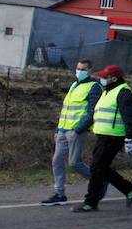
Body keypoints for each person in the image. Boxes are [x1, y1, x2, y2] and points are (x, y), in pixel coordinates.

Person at [73, 65, 132, 212]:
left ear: (114, 78)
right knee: (100, 168)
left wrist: (129, 139)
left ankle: (91, 202)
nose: (101, 79)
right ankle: (128, 188)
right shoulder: (108, 91)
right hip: (104, 136)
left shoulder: (123, 92)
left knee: (97, 168)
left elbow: (131, 117)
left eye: (105, 77)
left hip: (114, 137)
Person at [43, 59, 101, 206]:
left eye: (83, 69)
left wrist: (79, 129)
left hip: (76, 131)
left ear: (90, 71)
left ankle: (99, 180)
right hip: (63, 131)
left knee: (75, 163)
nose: (79, 71)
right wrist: (58, 129)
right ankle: (59, 193)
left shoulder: (94, 86)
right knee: (57, 161)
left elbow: (93, 111)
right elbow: (66, 109)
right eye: (78, 68)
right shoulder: (74, 85)